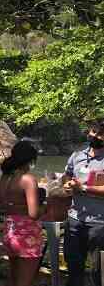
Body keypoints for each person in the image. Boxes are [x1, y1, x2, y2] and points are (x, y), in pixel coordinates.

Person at [0, 141, 44, 286]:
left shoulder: (5, 177)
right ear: (30, 160)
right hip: (27, 234)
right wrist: (45, 208)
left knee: (13, 279)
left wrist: (12, 206)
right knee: (25, 281)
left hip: (10, 231)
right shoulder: (28, 179)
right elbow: (33, 213)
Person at [63, 121, 104, 286]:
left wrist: (84, 188)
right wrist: (67, 184)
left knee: (98, 271)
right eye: (93, 131)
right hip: (74, 219)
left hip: (99, 223)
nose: (94, 135)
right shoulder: (77, 155)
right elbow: (67, 174)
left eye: (100, 133)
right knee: (73, 265)